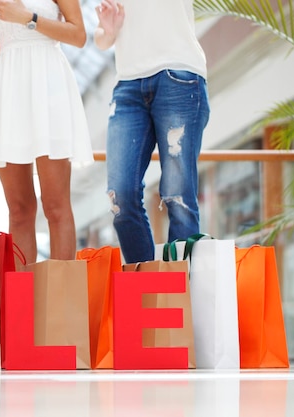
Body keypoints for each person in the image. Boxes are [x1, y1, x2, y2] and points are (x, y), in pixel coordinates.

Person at [0, 0, 93, 267]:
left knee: (55, 205)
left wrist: (29, 17)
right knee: (19, 210)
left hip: (49, 89)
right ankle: (21, 302)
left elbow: (78, 35)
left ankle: (61, 301)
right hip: (9, 92)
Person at [94, 0, 210, 263]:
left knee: (178, 197)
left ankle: (178, 297)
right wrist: (109, 31)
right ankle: (149, 294)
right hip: (127, 86)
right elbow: (100, 38)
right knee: (120, 197)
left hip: (178, 75)